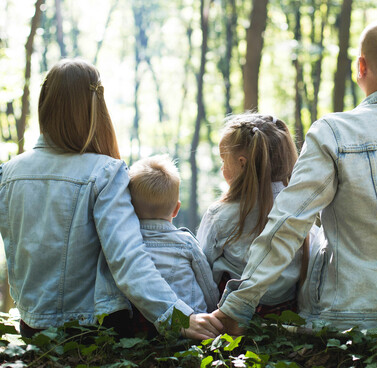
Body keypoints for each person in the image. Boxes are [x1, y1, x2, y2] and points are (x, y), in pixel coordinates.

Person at [213, 18, 377, 333]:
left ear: (360, 66)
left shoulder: (334, 132)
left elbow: (288, 223)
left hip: (347, 320)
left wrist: (237, 306)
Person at [0, 59, 223, 339]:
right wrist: (178, 317)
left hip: (32, 328)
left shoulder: (7, 173)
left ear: (45, 103)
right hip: (90, 329)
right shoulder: (105, 172)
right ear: (95, 108)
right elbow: (127, 259)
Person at [197, 113, 320, 316]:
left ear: (242, 163)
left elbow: (203, 268)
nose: (222, 167)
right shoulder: (301, 212)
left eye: (224, 160)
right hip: (285, 314)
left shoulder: (220, 214)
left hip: (230, 315)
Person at [128, 154, 219, 314]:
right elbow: (207, 285)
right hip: (192, 320)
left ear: (130, 207)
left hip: (144, 326)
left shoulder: (126, 244)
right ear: (176, 209)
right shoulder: (186, 243)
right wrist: (213, 311)